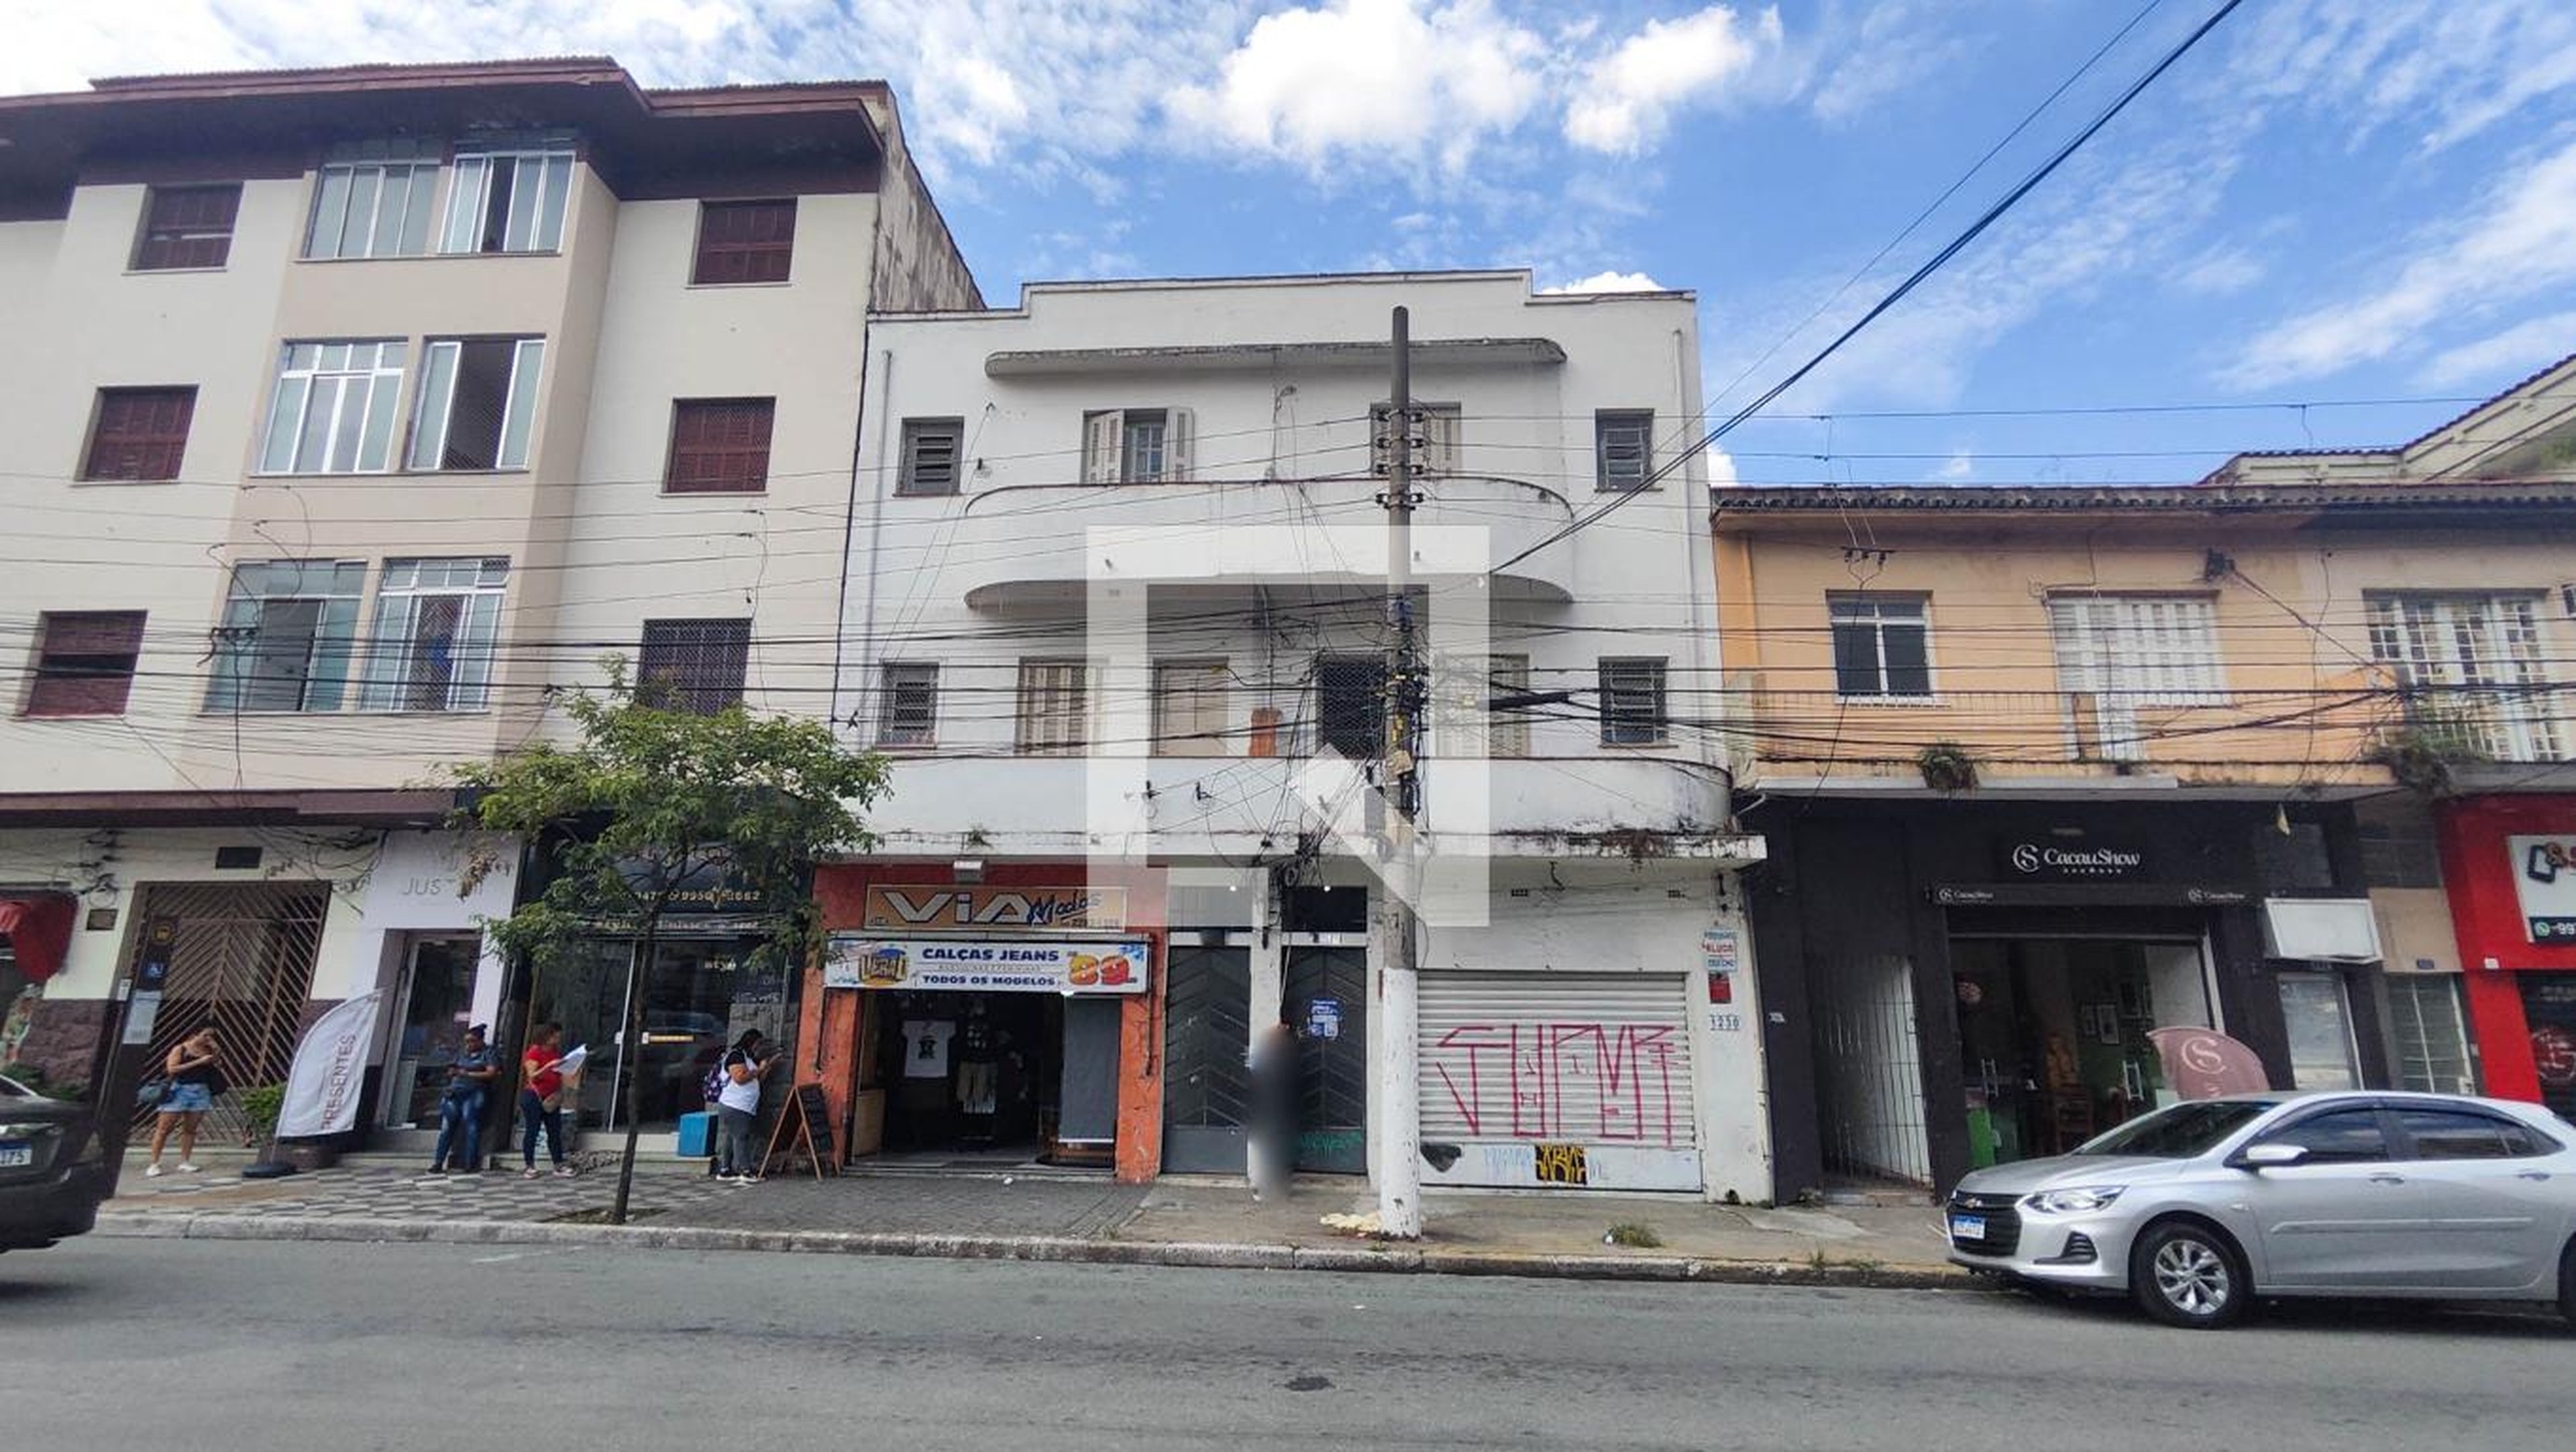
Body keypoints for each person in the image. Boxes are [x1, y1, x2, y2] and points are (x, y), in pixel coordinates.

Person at [146, 1027, 223, 1178]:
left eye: (211, 1036)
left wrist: (217, 1051)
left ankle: (185, 1161)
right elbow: (172, 1069)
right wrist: (198, 1062)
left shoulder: (207, 1050)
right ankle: (154, 1163)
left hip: (200, 1090)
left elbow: (215, 1064)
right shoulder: (181, 1048)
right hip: (179, 1090)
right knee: (164, 1129)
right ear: (195, 1034)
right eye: (205, 1035)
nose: (208, 1039)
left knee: (191, 1129)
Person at [714, 1029, 780, 1184]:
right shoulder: (736, 1055)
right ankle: (745, 1170)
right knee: (741, 1137)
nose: (758, 1048)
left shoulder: (748, 1058)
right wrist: (759, 1070)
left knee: (732, 1137)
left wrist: (767, 1066)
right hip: (735, 1104)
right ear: (751, 1042)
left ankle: (725, 1170)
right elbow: (740, 1078)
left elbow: (758, 1079)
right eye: (757, 1044)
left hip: (743, 1105)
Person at [430, 1025, 498, 1174]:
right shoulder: (462, 1053)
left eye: (472, 1041)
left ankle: (470, 1162)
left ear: (480, 1041)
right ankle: (438, 1162)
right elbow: (451, 1068)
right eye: (467, 1042)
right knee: (447, 1127)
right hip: (455, 1091)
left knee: (471, 1123)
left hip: (474, 1091)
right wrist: (453, 1072)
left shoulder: (488, 1053)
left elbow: (491, 1073)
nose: (469, 1045)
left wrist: (468, 1074)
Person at [1248, 1021, 1298, 1203]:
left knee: (1272, 1148)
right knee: (1274, 1148)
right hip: (1276, 1109)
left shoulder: (1271, 1057)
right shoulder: (1284, 1056)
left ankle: (1269, 1186)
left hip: (1273, 1109)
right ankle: (1275, 1186)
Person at [519, 1023, 576, 1179]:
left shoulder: (555, 1052)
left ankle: (558, 1164)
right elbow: (532, 1076)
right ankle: (529, 1165)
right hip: (534, 1096)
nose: (557, 1038)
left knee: (554, 1131)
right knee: (533, 1130)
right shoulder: (534, 1052)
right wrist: (549, 1066)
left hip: (552, 1096)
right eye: (554, 1036)